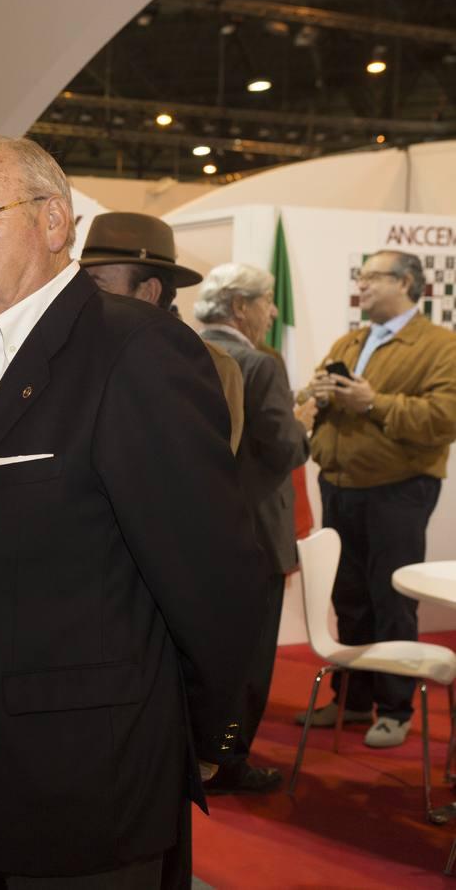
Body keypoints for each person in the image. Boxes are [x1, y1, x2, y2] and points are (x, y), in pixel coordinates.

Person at [0, 135, 266, 888]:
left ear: (54, 222)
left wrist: (199, 737)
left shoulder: (134, 351)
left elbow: (216, 576)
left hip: (86, 793)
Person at [297, 249, 456, 748]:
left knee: (391, 600)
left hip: (399, 488)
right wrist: (317, 392)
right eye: (360, 277)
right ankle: (353, 700)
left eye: (372, 278)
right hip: (339, 482)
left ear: (407, 282)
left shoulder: (440, 346)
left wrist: (374, 403)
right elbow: (307, 399)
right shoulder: (353, 338)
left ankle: (395, 708)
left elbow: (445, 417)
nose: (361, 286)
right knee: (349, 597)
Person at [196, 263, 314, 794]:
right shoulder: (260, 364)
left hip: (203, 529)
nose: (272, 312)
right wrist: (304, 422)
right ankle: (231, 760)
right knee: (249, 661)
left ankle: (199, 748)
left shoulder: (184, 349)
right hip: (257, 536)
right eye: (267, 302)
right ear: (241, 306)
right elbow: (285, 448)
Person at [79, 211, 246, 454]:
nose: (84, 296)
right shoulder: (74, 356)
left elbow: (205, 474)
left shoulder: (211, 368)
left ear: (149, 292)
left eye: (98, 285)